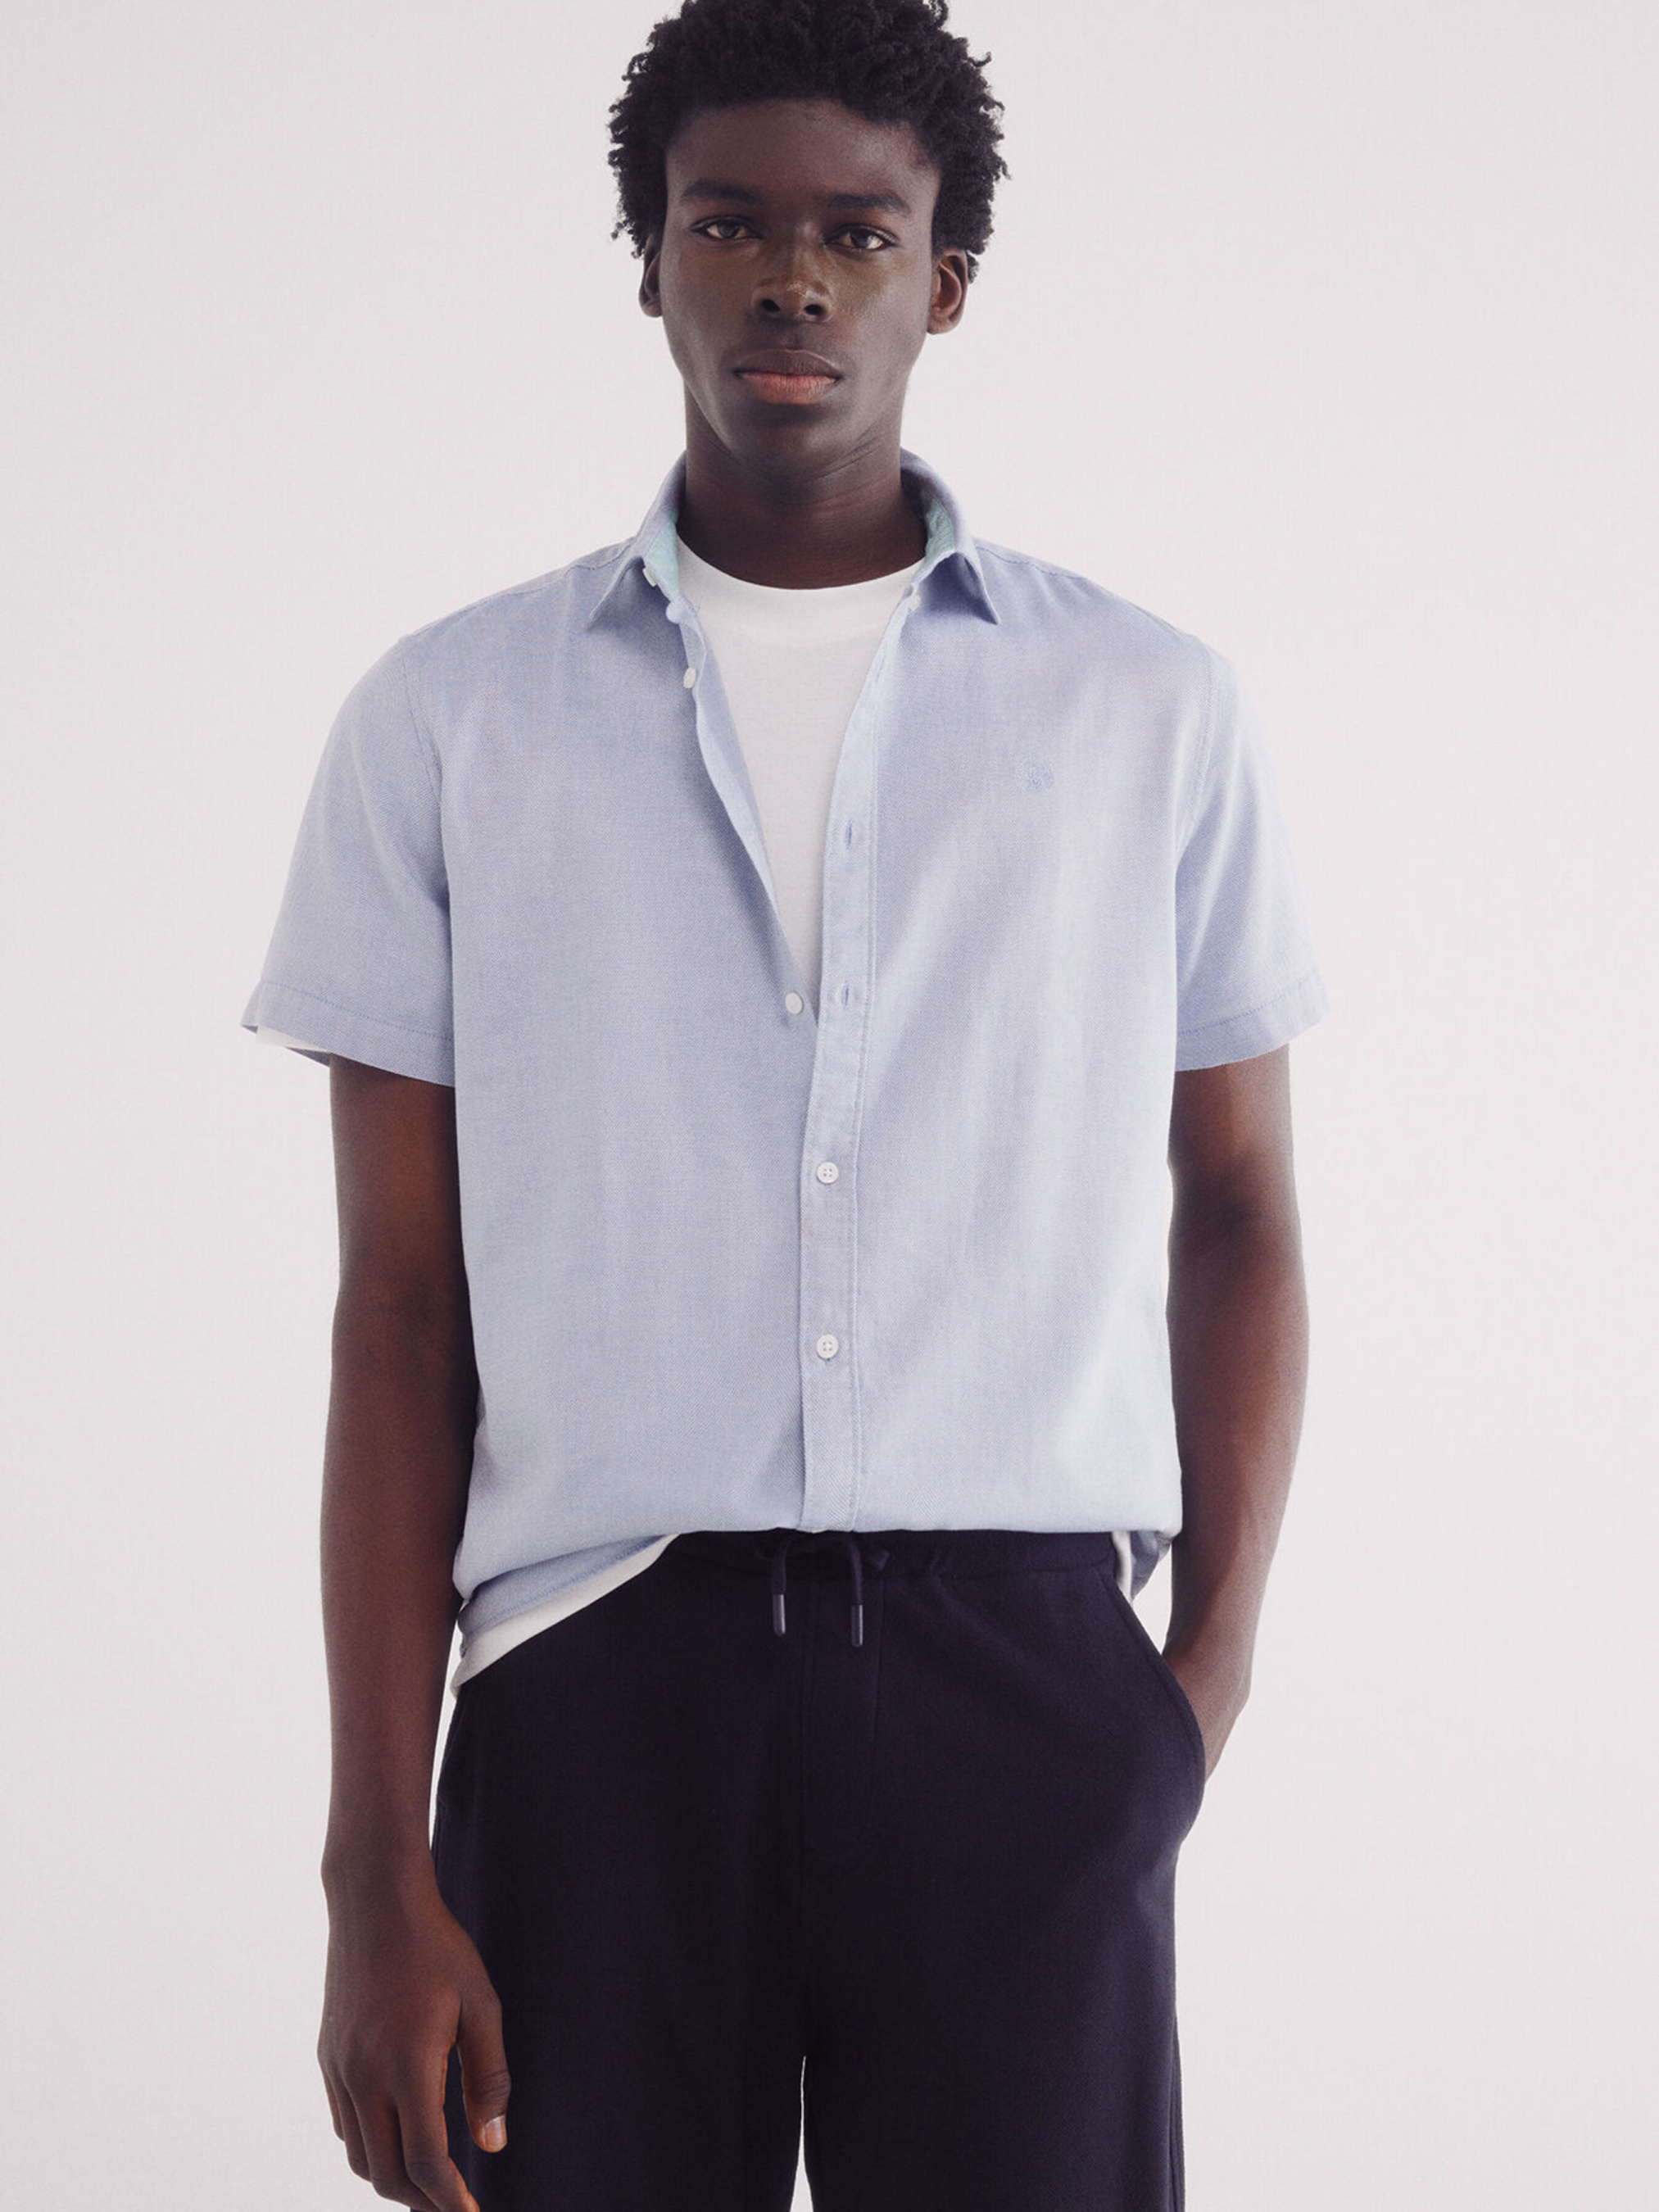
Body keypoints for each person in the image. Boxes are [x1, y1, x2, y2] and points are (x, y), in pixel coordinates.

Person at [240, 2, 1328, 2205]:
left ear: (946, 279)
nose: (792, 282)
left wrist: (1191, 1683)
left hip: (1027, 1680)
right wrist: (373, 1860)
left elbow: (1236, 1207)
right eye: (727, 224)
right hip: (594, 1688)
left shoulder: (1149, 710)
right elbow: (400, 1309)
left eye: (858, 232)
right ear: (650, 260)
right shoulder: (451, 719)